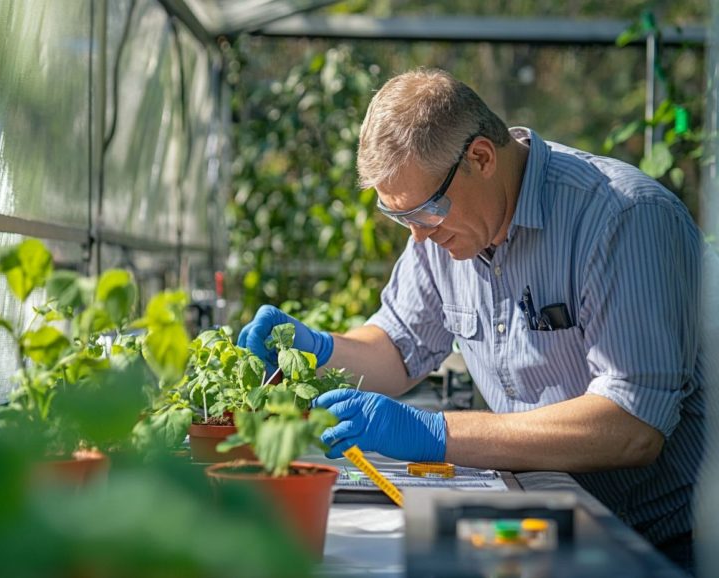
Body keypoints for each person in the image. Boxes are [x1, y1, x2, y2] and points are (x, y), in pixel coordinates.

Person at [238, 68, 708, 572]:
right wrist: (316, 349)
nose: (417, 238)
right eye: (400, 218)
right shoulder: (444, 229)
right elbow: (396, 350)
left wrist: (436, 433)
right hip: (548, 513)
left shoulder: (622, 218)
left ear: (481, 157)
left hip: (670, 539)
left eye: (424, 212)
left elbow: (632, 427)